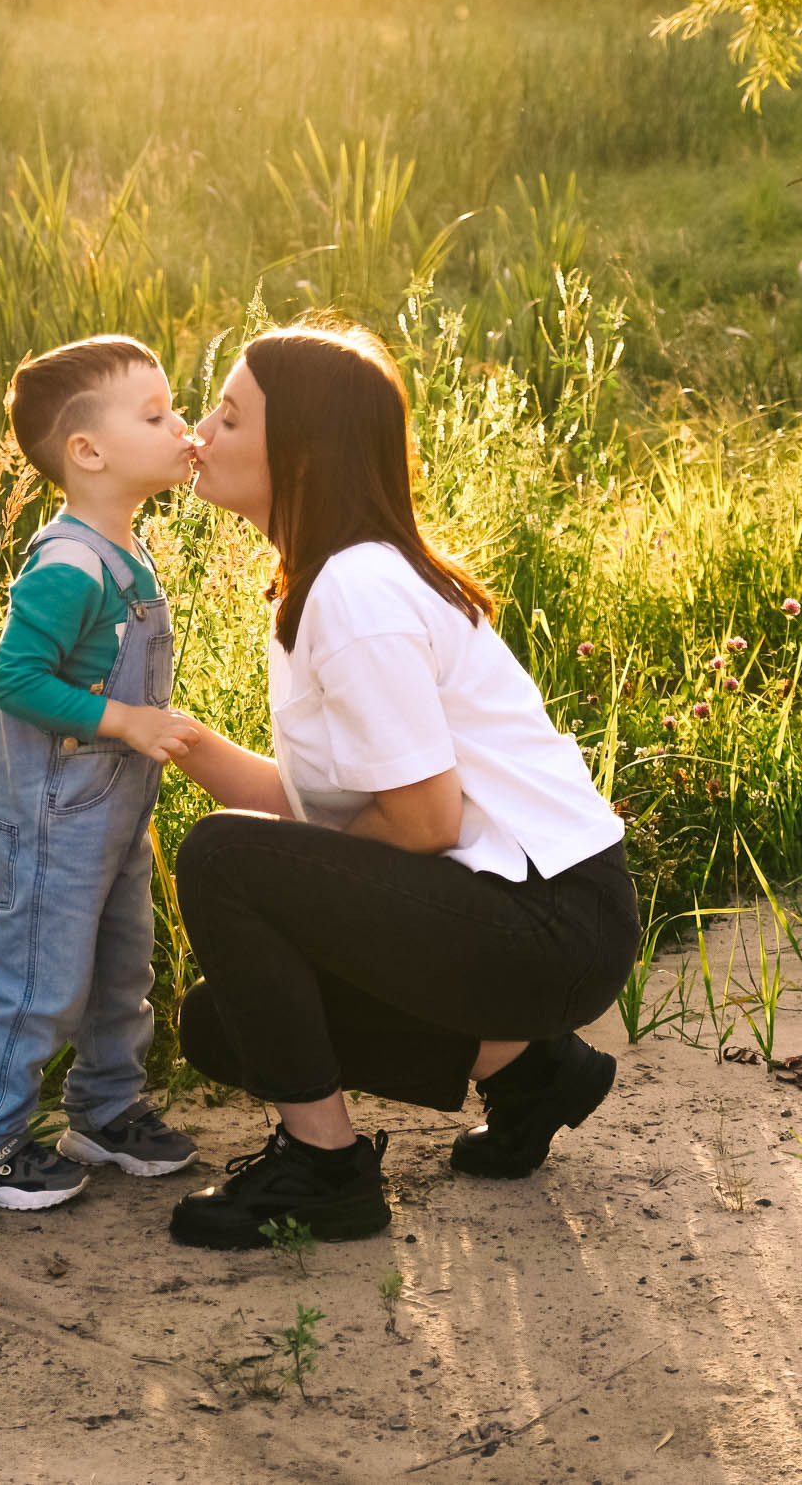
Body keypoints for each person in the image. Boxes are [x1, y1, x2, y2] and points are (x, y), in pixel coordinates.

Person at [158, 324, 639, 1249]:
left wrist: (273, 870)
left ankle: (327, 1173)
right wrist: (172, 738)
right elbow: (328, 811)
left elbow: (421, 821)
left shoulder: (356, 591)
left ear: (299, 449)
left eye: (227, 415)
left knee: (220, 857)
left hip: (553, 918)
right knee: (222, 1024)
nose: (199, 435)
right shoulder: (327, 580)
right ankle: (528, 1072)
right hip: (512, 912)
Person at [0, 334, 206, 1210]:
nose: (182, 425)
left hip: (111, 807)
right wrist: (127, 718)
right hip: (52, 807)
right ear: (88, 452)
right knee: (42, 977)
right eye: (157, 414)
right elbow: (16, 680)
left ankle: (103, 1108)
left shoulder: (121, 547)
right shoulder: (69, 561)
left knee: (123, 965)